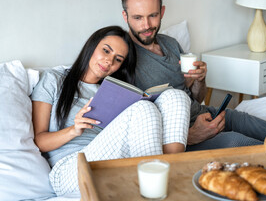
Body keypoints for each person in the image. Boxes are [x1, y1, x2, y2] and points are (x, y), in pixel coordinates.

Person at [120, 0, 266, 156]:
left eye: (152, 15)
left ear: (162, 12)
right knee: (243, 143)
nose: (146, 25)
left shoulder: (170, 44)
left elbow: (195, 98)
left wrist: (199, 80)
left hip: (206, 113)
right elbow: (133, 126)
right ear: (125, 16)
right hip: (180, 137)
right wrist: (189, 136)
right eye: (137, 17)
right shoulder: (122, 57)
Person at [31, 26, 191, 195]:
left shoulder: (115, 92)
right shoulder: (54, 80)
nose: (109, 61)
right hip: (71, 169)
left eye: (118, 59)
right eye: (106, 51)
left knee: (176, 97)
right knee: (144, 108)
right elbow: (39, 141)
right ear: (92, 45)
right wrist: (73, 130)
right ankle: (155, 188)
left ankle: (163, 181)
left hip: (114, 161)